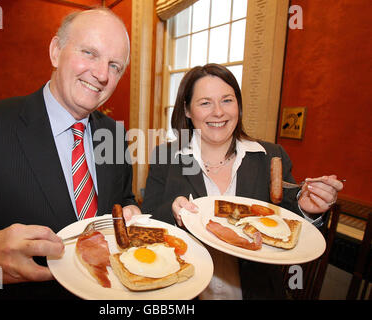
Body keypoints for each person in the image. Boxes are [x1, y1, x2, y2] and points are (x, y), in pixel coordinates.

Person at [0, 8, 141, 299]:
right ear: (55, 51)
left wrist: (130, 212)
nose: (101, 74)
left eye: (115, 66)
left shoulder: (114, 134)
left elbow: (121, 199)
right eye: (89, 52)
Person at [141, 63, 344, 299]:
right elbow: (149, 224)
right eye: (205, 102)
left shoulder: (270, 157)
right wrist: (174, 213)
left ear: (238, 105)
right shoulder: (165, 158)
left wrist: (307, 209)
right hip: (185, 292)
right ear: (187, 110)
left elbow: (290, 222)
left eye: (227, 100)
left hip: (256, 291)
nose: (218, 112)